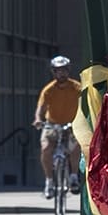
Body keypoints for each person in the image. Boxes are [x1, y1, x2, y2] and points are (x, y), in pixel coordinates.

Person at [34, 55, 81, 197]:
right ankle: (49, 182)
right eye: (58, 70)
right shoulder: (49, 90)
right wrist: (38, 119)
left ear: (68, 71)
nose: (61, 73)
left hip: (72, 125)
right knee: (46, 148)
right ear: (53, 72)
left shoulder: (77, 87)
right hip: (52, 125)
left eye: (64, 70)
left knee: (75, 146)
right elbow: (41, 108)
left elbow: (86, 104)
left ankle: (73, 176)